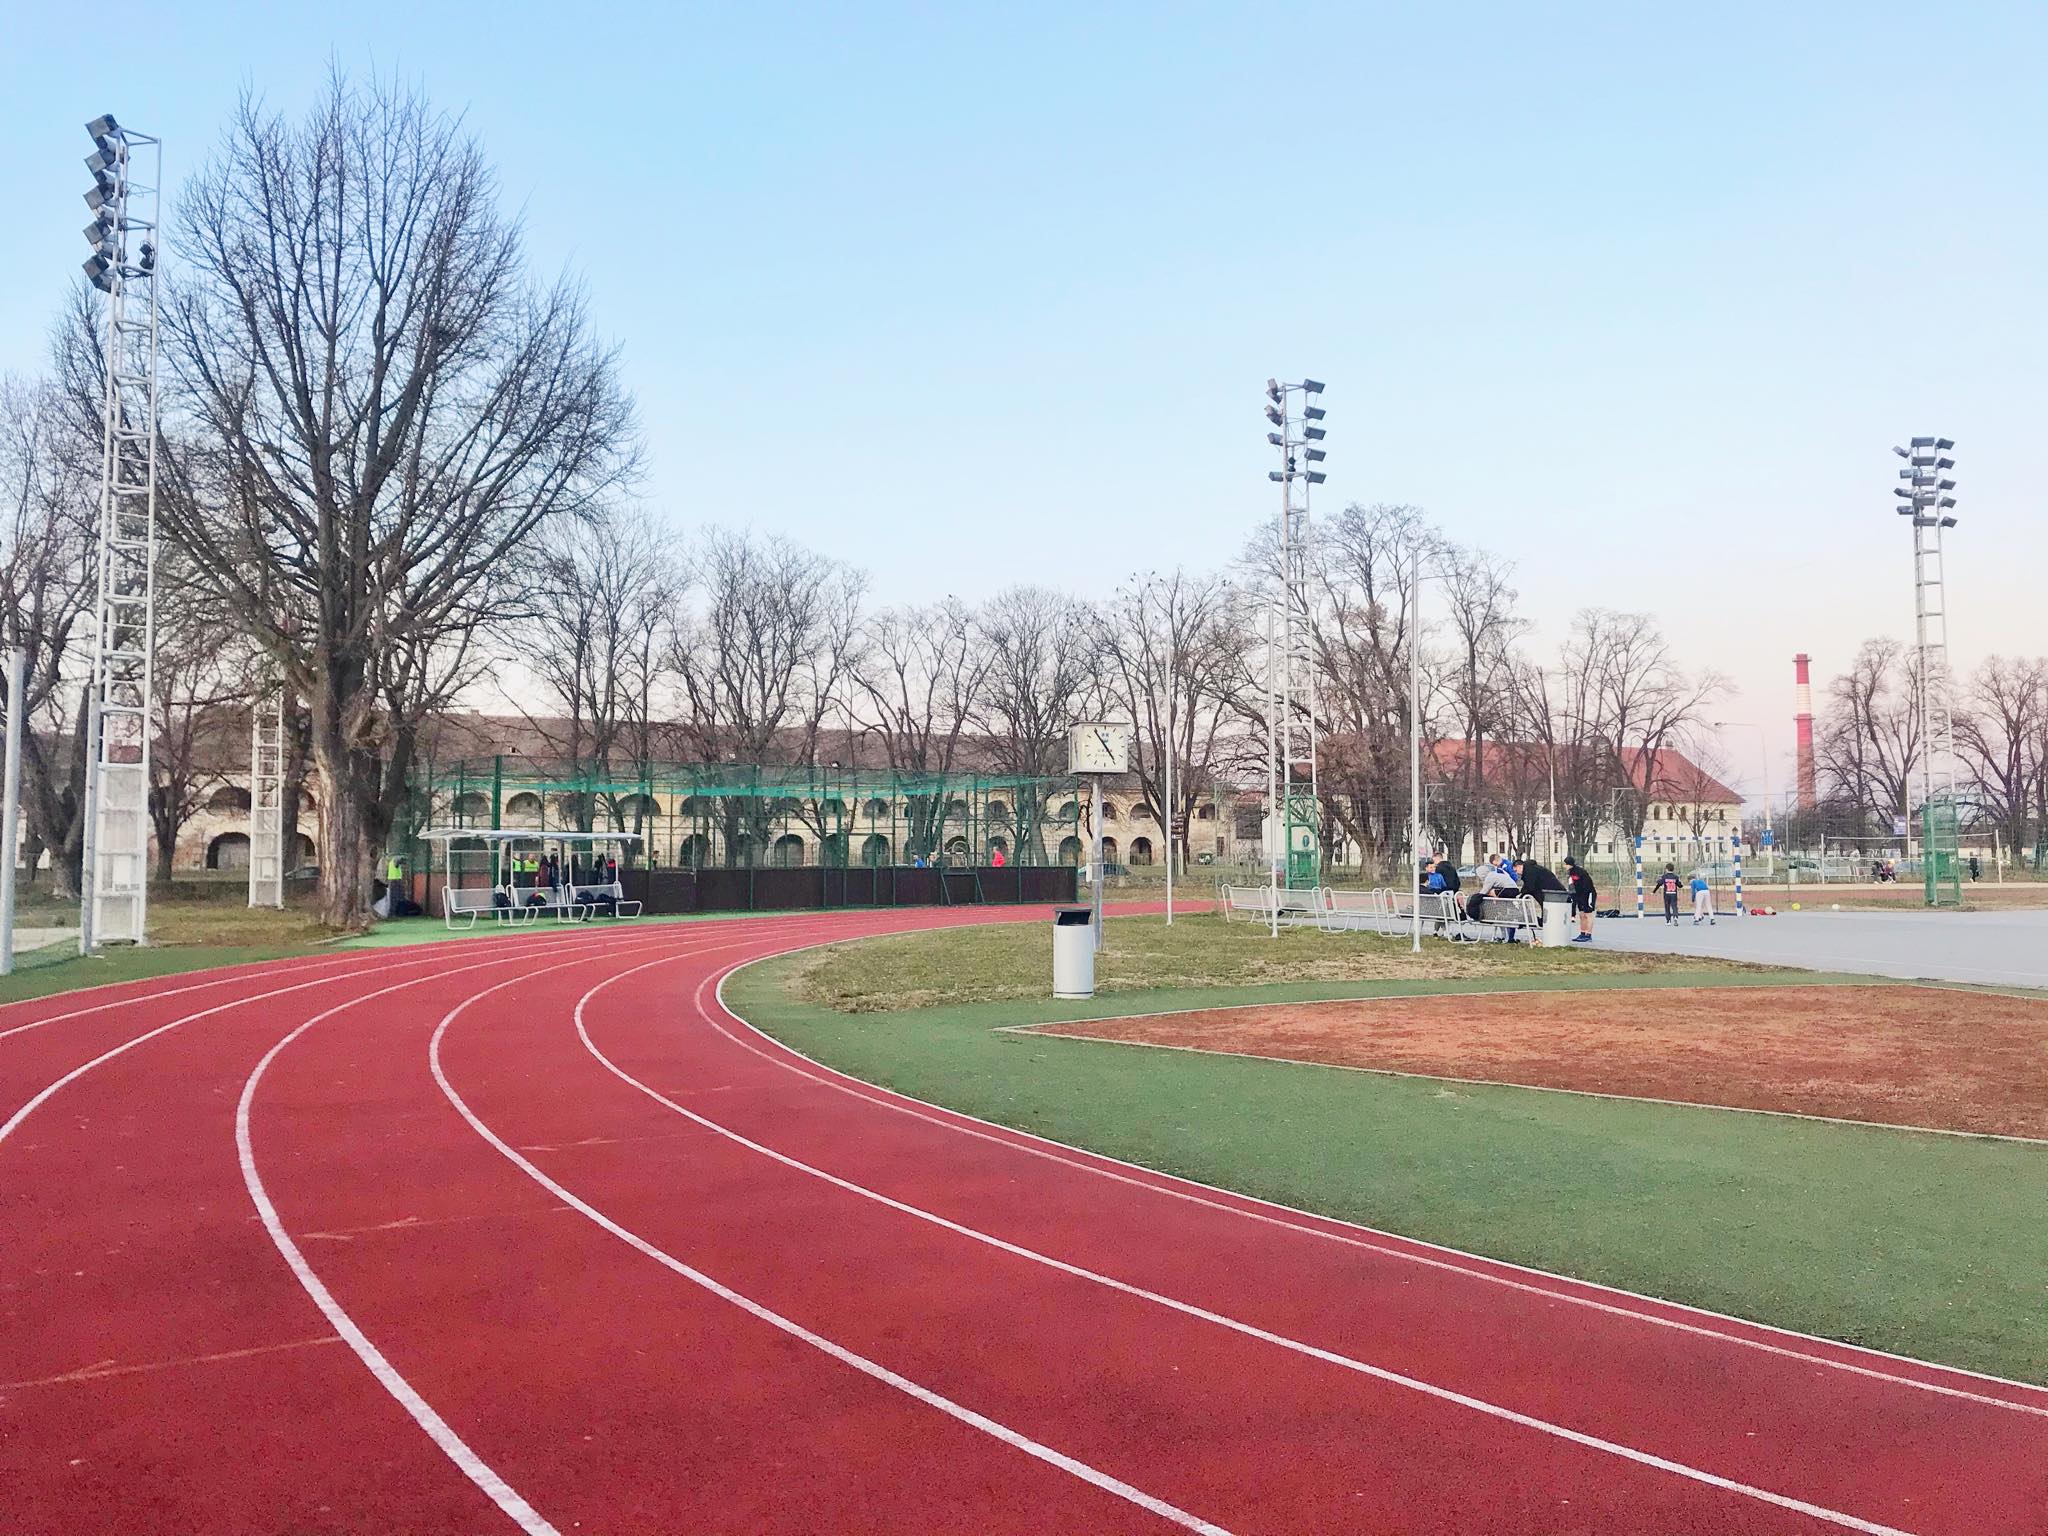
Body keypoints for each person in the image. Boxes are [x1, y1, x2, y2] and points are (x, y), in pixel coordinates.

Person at [1511, 856, 1567, 945]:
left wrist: (1521, 895)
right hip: (1552, 891)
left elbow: (1530, 886)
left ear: (1519, 866)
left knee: (1550, 912)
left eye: (1515, 870)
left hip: (1552, 892)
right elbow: (1528, 886)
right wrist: (1521, 894)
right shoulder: (1531, 870)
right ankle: (1545, 927)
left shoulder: (1529, 871)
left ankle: (1550, 933)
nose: (1516, 873)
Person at [1563, 855, 1596, 943]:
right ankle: (1582, 933)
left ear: (1569, 864)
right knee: (1581, 915)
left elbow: (1587, 884)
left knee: (1588, 914)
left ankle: (1588, 935)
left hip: (1588, 893)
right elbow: (1575, 886)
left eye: (1565, 864)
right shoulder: (1571, 873)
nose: (1564, 866)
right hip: (1580, 895)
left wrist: (1585, 896)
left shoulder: (1580, 872)